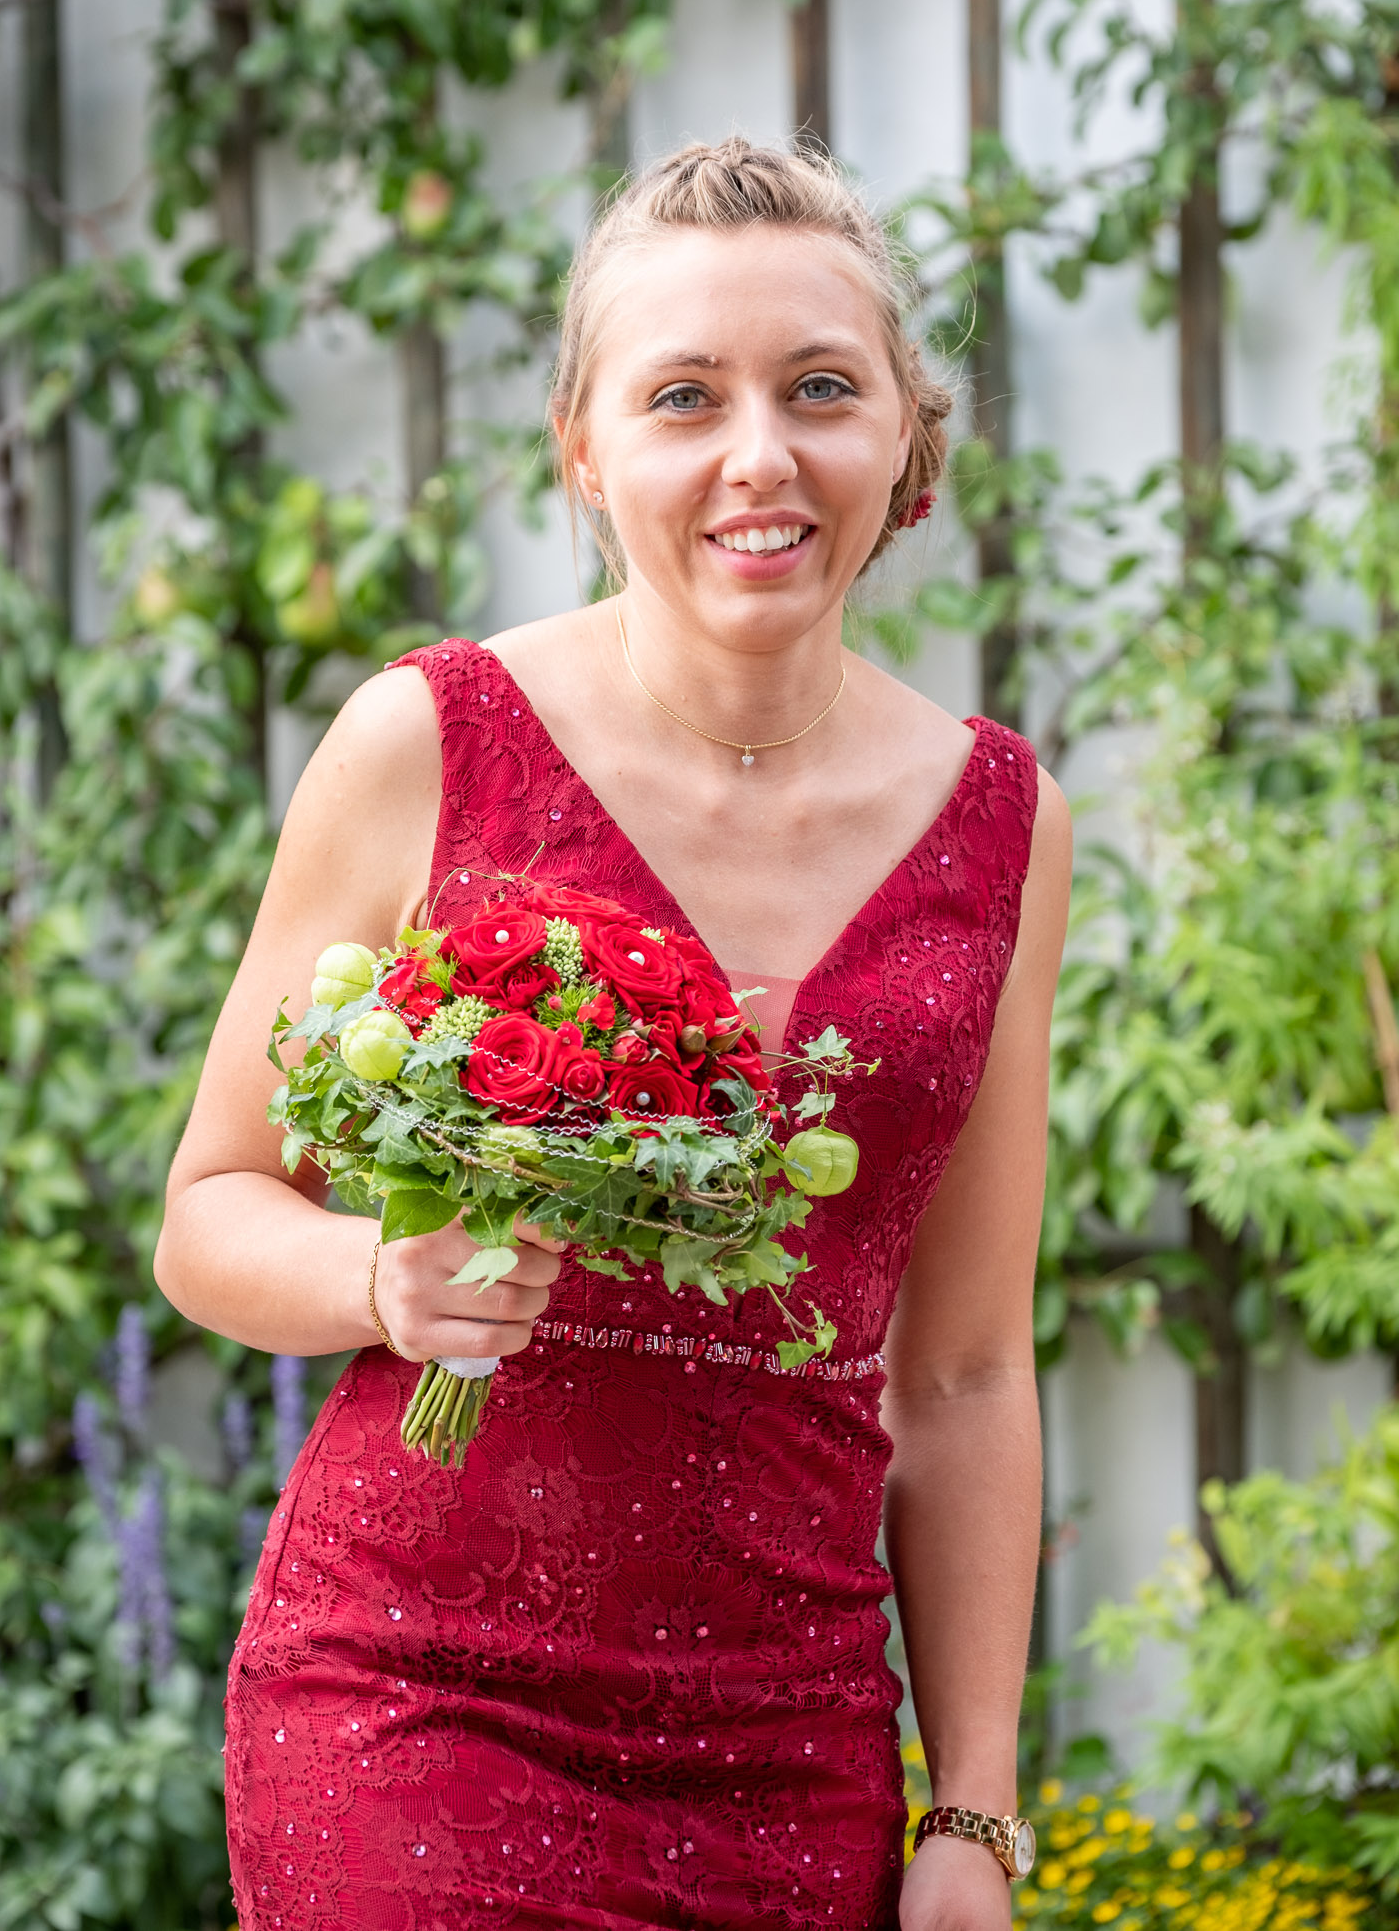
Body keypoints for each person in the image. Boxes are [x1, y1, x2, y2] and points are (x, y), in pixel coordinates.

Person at [156, 137, 1071, 1931]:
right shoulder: (428, 739)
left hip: (795, 1734)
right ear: (585, 449)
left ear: (910, 437)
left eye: (822, 388)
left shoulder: (1003, 824)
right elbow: (209, 1212)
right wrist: (380, 1280)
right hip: (415, 1704)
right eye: (684, 396)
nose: (761, 455)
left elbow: (963, 1371)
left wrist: (972, 1816)